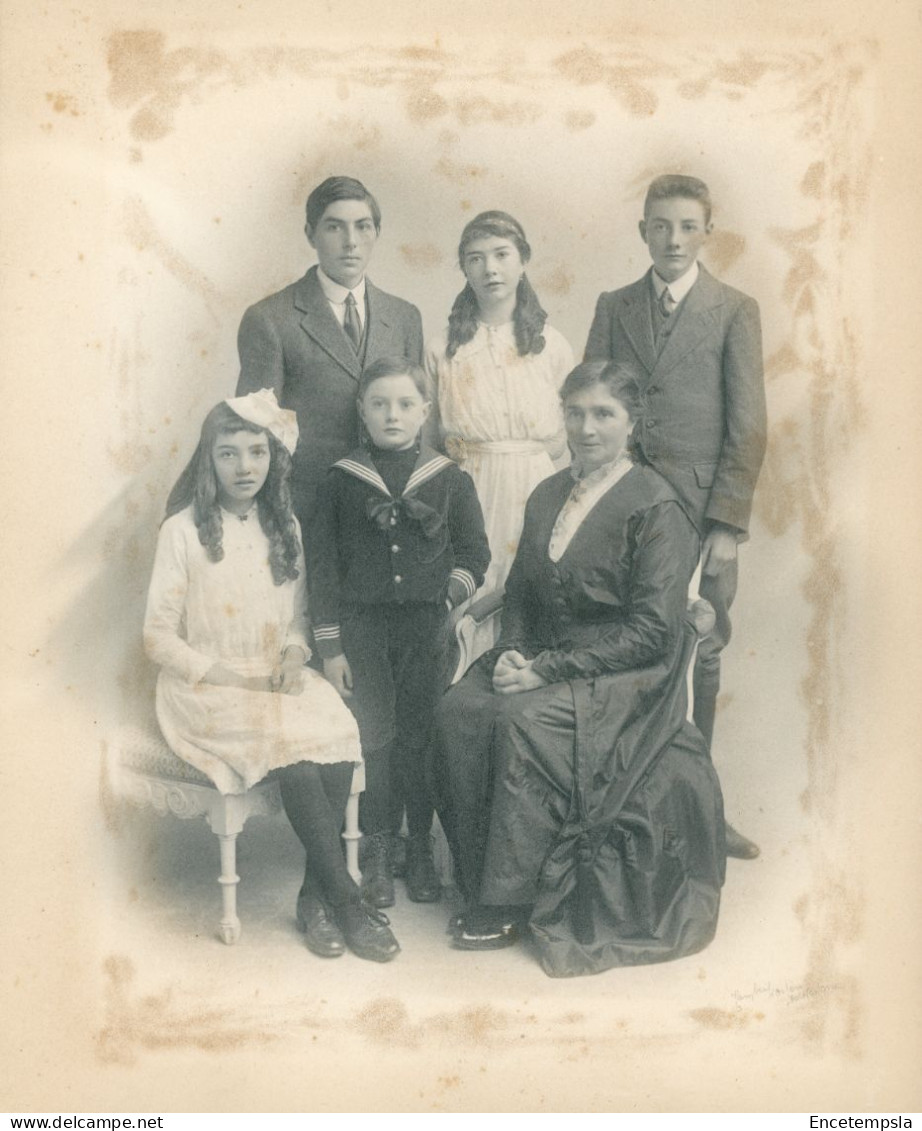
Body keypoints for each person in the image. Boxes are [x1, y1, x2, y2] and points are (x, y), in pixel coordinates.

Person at [433, 361, 726, 977]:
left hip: (630, 673)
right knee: (460, 708)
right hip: (545, 653)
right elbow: (521, 594)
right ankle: (477, 875)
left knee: (520, 719)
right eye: (576, 413)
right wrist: (513, 651)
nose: (586, 428)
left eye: (604, 415)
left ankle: (508, 900)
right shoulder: (545, 494)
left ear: (631, 422)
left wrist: (544, 672)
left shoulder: (657, 506)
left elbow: (651, 633)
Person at [143, 388, 400, 963]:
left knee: (334, 733)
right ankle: (348, 901)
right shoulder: (181, 532)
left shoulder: (283, 525)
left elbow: (298, 619)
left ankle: (314, 898)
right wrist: (233, 679)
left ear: (273, 457)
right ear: (208, 460)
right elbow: (158, 638)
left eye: (256, 452)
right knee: (295, 749)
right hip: (206, 690)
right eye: (229, 454)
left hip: (271, 676)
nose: (244, 468)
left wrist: (290, 656)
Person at [584, 174, 767, 860]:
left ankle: (702, 809)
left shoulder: (733, 310)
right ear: (642, 231)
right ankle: (623, 805)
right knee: (624, 640)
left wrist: (725, 523)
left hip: (699, 511)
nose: (674, 239)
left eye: (688, 226)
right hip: (626, 506)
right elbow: (592, 407)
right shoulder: (614, 305)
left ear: (707, 233)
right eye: (661, 225)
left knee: (702, 647)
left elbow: (748, 427)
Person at [307, 358, 490, 908]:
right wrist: (331, 646)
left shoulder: (449, 477)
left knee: (422, 735)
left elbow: (474, 554)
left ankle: (418, 849)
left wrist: (447, 597)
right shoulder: (341, 480)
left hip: (425, 630)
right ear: (362, 411)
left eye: (406, 404)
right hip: (363, 631)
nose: (393, 414)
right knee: (376, 737)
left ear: (425, 412)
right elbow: (321, 568)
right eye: (380, 404)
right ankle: (379, 846)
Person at [236, 175, 424, 533]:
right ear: (310, 235)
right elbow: (255, 434)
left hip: (389, 512)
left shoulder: (404, 317)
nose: (351, 242)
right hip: (308, 512)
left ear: (376, 233)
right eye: (334, 227)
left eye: (363, 227)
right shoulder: (270, 319)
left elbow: (417, 422)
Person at [425, 211, 573, 644]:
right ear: (464, 269)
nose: (489, 269)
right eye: (475, 258)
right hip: (469, 487)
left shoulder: (552, 345)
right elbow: (431, 435)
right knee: (471, 600)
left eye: (501, 255)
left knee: (535, 597)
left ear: (522, 260)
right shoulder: (442, 349)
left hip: (539, 488)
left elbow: (569, 437)